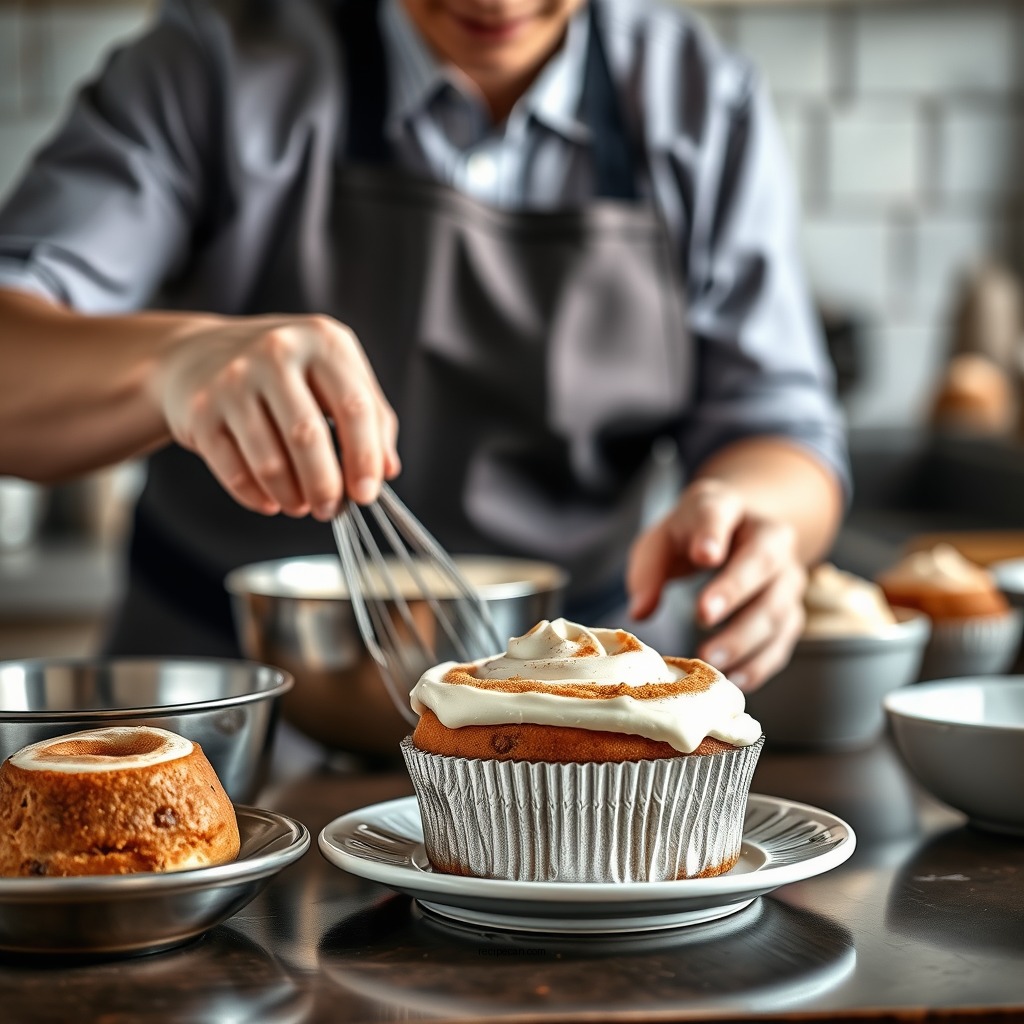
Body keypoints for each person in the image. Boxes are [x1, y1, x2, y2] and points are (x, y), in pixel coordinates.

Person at [0, 0, 847, 692]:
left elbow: (779, 426)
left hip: (575, 722)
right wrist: (175, 364)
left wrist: (754, 511)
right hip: (231, 703)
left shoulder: (699, 99)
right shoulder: (214, 61)